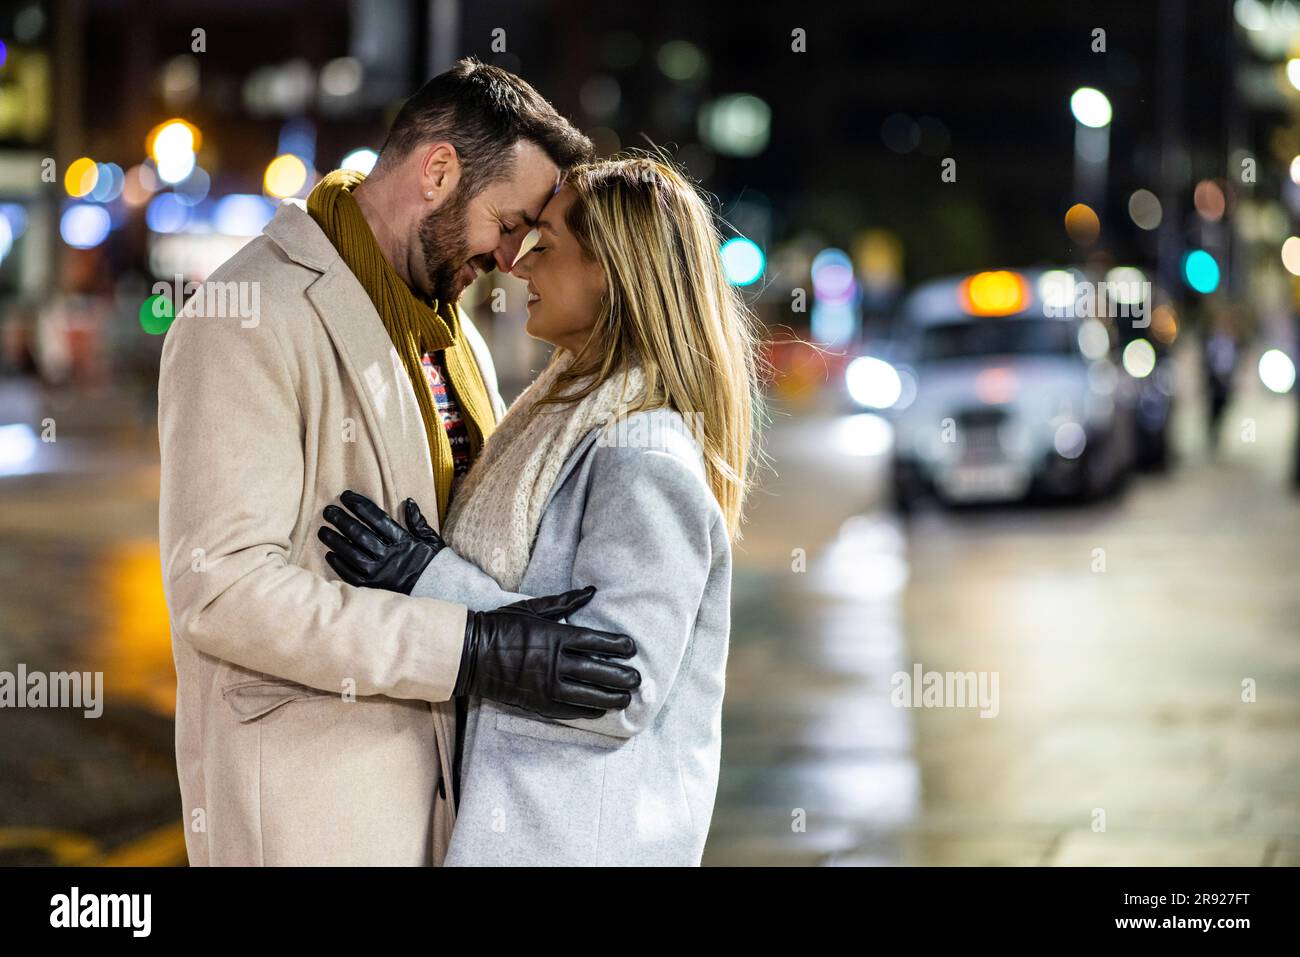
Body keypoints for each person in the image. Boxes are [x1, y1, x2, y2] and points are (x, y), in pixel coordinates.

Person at [157, 59, 640, 867]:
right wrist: (471, 647)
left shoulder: (462, 341)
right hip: (312, 816)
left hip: (446, 811)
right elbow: (225, 590)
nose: (515, 256)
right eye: (510, 221)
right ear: (439, 171)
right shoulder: (245, 317)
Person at [320, 156, 761, 865]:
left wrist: (431, 578)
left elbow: (619, 684)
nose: (518, 267)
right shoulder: (562, 421)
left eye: (546, 245)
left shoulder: (640, 454)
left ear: (611, 274)